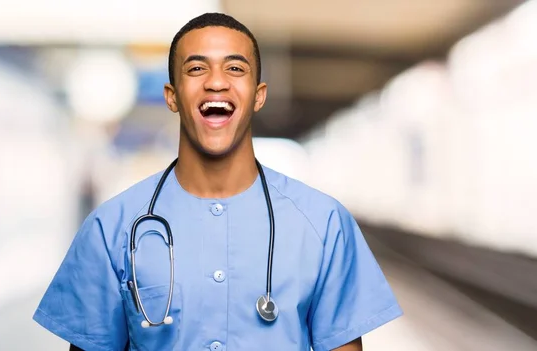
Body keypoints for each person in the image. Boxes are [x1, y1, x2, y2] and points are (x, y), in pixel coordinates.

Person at [33, 12, 403, 351]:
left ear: (258, 96)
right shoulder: (109, 229)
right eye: (196, 69)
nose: (215, 83)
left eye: (235, 69)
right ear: (172, 96)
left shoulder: (325, 225)